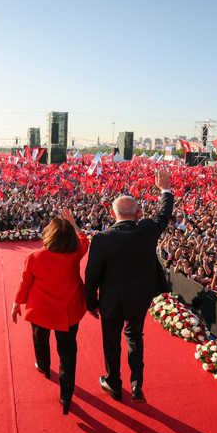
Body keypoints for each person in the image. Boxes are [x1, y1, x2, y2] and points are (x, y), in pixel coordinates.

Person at [85, 168, 173, 404]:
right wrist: (165, 189)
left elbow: (91, 274)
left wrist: (91, 304)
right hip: (139, 299)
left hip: (111, 301)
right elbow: (164, 214)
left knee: (111, 342)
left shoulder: (102, 239)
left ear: (112, 214)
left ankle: (114, 383)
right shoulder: (147, 230)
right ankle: (137, 385)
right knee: (135, 336)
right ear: (139, 213)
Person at [11, 208, 89, 415]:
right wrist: (72, 221)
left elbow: (24, 283)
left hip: (41, 310)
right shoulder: (76, 253)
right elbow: (84, 238)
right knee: (68, 352)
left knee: (40, 339)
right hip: (69, 311)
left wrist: (16, 304)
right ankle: (66, 395)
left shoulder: (34, 257)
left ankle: (44, 366)